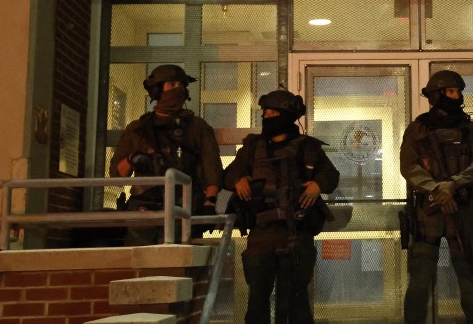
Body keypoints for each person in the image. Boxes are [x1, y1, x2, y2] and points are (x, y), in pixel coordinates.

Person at [224, 89, 339, 324]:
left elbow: (331, 175)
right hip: (262, 233)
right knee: (257, 300)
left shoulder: (308, 148)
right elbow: (228, 174)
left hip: (296, 232)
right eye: (265, 112)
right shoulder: (253, 148)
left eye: (273, 113)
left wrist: (317, 184)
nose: (267, 116)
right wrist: (238, 179)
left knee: (296, 301)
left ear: (287, 116)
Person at [399, 70, 473, 324]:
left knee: (470, 276)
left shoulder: (469, 129)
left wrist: (452, 185)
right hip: (428, 214)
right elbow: (409, 166)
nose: (457, 96)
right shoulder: (417, 129)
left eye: (458, 91)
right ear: (436, 95)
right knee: (420, 281)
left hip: (460, 211)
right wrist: (437, 190)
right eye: (451, 91)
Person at [110, 64, 223, 246]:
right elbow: (117, 175)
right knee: (140, 258)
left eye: (181, 85)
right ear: (157, 90)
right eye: (172, 85)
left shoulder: (196, 127)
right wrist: (133, 158)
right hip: (145, 211)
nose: (178, 89)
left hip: (183, 209)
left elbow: (212, 170)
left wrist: (209, 203)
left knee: (177, 258)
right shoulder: (138, 129)